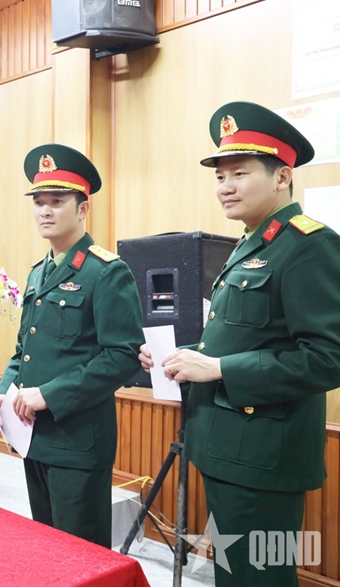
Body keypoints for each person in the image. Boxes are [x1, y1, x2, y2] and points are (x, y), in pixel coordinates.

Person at [139, 101, 340, 586]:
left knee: (260, 578)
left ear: (282, 176)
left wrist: (220, 369)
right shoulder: (250, 244)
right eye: (219, 175)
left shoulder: (308, 245)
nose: (225, 186)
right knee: (235, 576)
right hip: (226, 449)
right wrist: (184, 358)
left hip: (264, 458)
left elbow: (328, 357)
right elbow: (241, 336)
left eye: (239, 173)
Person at [0, 143, 144, 547]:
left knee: (80, 553)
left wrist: (50, 394)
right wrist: (4, 390)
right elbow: (24, 350)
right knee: (48, 551)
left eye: (57, 201)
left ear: (83, 208)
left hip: (78, 441)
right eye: (39, 202)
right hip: (34, 437)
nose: (45, 211)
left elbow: (123, 356)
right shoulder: (38, 273)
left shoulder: (106, 272)